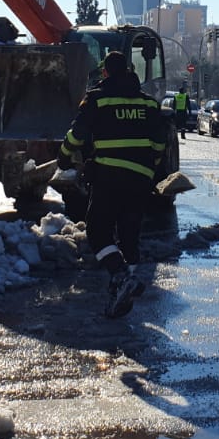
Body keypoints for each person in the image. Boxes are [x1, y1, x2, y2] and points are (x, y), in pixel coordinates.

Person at [59, 51, 170, 319]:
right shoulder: (149, 104)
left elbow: (77, 135)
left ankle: (120, 276)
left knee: (98, 231)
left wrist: (63, 157)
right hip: (140, 179)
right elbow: (160, 144)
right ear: (130, 71)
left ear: (105, 72)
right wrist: (149, 167)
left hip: (108, 175)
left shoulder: (97, 99)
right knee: (129, 235)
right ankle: (122, 289)